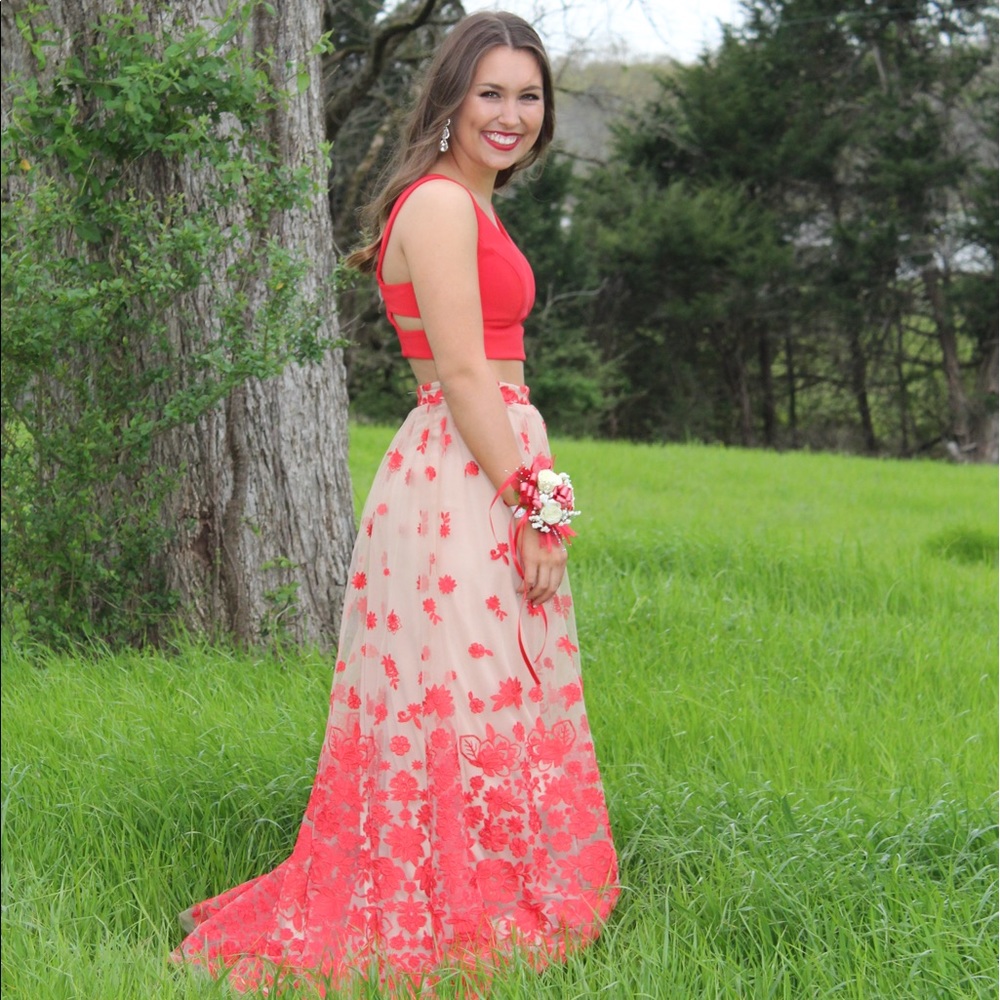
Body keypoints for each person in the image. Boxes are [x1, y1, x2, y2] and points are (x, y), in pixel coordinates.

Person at [172, 10, 619, 995]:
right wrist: (531, 501)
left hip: (481, 459)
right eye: (490, 93)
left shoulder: (471, 201)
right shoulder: (439, 206)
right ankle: (458, 903)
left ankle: (491, 884)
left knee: (487, 685)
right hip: (467, 472)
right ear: (449, 97)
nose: (510, 115)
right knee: (462, 692)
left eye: (528, 96)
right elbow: (463, 369)